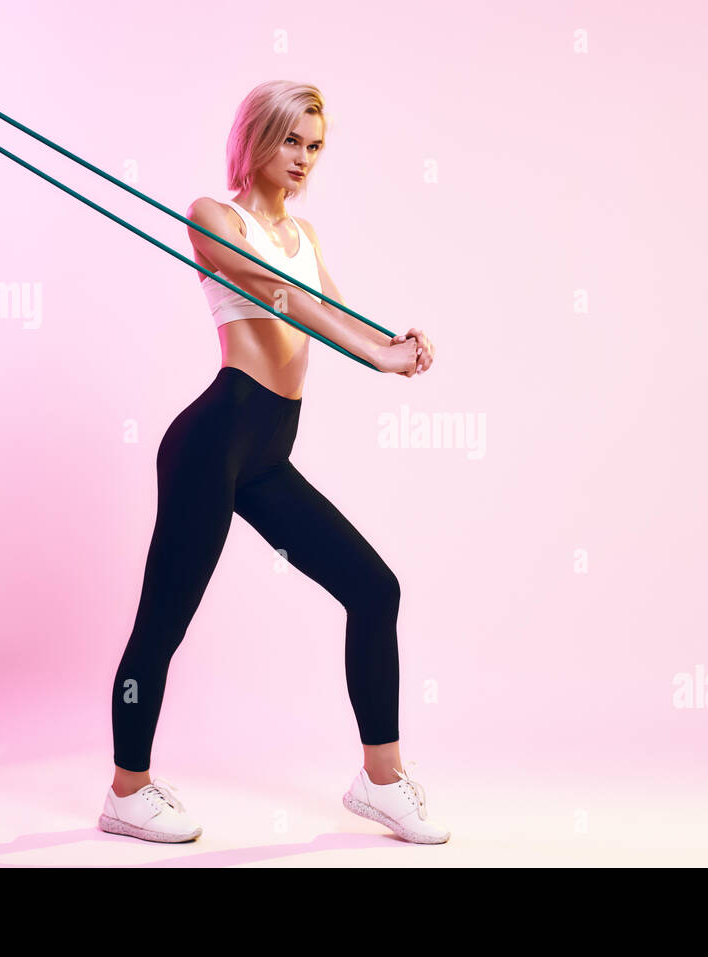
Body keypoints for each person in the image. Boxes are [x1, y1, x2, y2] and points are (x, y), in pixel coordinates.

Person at [98, 80, 448, 845]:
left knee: (373, 589)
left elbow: (331, 319)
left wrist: (391, 353)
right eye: (292, 140)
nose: (304, 159)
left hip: (266, 452)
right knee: (163, 624)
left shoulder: (305, 236)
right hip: (213, 442)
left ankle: (380, 781)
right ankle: (127, 790)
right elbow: (281, 299)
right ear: (257, 137)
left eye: (316, 146)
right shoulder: (211, 216)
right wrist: (377, 355)